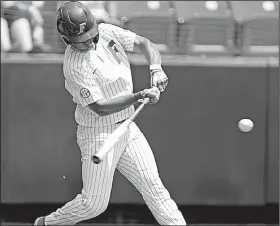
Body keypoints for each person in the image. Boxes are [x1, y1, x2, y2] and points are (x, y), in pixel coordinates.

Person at [34, 2, 187, 225]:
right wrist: (138, 96)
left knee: (155, 188)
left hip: (128, 127)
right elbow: (100, 107)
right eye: (81, 40)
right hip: (98, 133)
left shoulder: (106, 32)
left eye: (91, 35)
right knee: (94, 204)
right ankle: (46, 223)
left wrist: (156, 68)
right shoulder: (74, 65)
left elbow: (144, 43)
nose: (89, 42)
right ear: (66, 38)